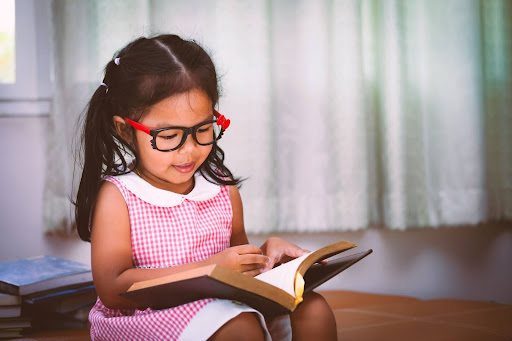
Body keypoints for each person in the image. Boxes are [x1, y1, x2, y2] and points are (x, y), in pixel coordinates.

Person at [74, 34, 337, 341]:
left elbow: (241, 272)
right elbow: (114, 290)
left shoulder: (222, 191)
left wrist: (268, 257)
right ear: (126, 131)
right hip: (150, 318)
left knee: (314, 309)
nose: (188, 151)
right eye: (169, 136)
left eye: (201, 129)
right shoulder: (120, 196)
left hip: (223, 308)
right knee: (239, 327)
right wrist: (208, 268)